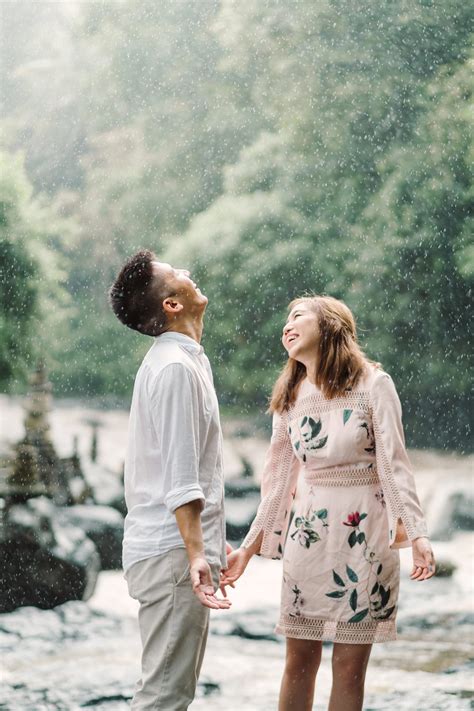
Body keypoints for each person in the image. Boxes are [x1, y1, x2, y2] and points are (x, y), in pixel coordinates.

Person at [221, 295, 435, 711]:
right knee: (299, 661)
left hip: (366, 538)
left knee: (350, 668)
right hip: (309, 536)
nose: (288, 325)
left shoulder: (375, 384)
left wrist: (418, 535)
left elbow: (394, 464)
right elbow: (278, 480)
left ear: (331, 325)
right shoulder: (290, 394)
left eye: (298, 315)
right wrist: (247, 549)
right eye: (286, 319)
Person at [109, 250, 231, 711]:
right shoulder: (176, 367)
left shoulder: (181, 360)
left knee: (168, 693)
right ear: (172, 305)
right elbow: (181, 476)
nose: (187, 272)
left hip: (172, 551)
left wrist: (214, 546)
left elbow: (188, 468)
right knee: (163, 697)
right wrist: (198, 552)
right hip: (172, 554)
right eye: (175, 274)